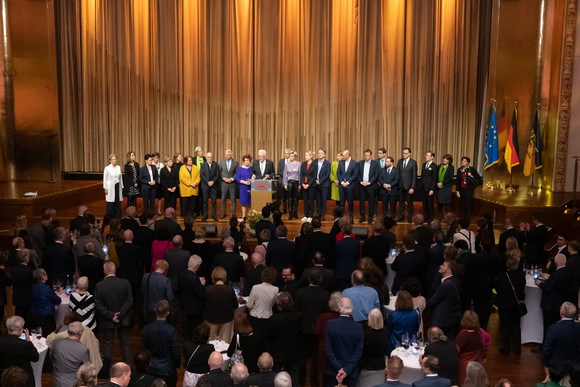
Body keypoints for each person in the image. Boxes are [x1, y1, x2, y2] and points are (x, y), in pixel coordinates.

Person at [94, 262, 133, 376]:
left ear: (105, 271)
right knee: (125, 342)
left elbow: (98, 304)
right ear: (114, 270)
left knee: (107, 343)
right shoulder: (125, 283)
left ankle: (106, 369)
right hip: (123, 317)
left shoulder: (99, 286)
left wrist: (111, 315)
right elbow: (130, 300)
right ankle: (129, 366)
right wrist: (120, 315)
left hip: (107, 319)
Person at [295, 271, 330, 385]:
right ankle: (314, 381)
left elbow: (297, 310)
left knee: (302, 355)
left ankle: (301, 380)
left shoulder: (300, 292)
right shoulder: (325, 294)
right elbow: (325, 313)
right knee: (315, 355)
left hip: (303, 328)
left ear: (309, 280)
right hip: (317, 328)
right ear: (320, 280)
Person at [324, 297, 364, 387]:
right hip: (351, 372)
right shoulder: (358, 327)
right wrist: (346, 370)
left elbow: (328, 349)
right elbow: (358, 352)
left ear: (339, 307)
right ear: (351, 309)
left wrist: (340, 368)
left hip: (333, 371)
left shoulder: (330, 324)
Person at [142, 300, 180, 387]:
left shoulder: (147, 328)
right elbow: (175, 351)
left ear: (155, 310)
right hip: (167, 370)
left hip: (151, 368)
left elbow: (144, 349)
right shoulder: (171, 330)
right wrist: (177, 364)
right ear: (168, 313)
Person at [268, 292, 303, 385]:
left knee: (277, 377)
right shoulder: (299, 316)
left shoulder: (273, 319)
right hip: (293, 351)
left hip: (278, 352)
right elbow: (300, 332)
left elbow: (269, 337)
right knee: (293, 376)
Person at [542, 302, 580, 381]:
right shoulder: (578, 328)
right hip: (573, 366)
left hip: (556, 367)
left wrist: (546, 364)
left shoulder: (554, 328)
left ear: (561, 312)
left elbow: (546, 349)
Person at [427, 258, 461, 339]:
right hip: (452, 318)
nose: (440, 266)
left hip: (443, 319)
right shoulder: (456, 281)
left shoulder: (445, 285)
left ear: (449, 271)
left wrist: (420, 303)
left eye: (443, 265)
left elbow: (432, 301)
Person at [0, 316, 39, 387]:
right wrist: (28, 341)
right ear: (19, 329)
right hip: (24, 380)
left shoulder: (1, 342)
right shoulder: (24, 344)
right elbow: (35, 357)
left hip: (5, 379)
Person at [247, 266, 279, 351]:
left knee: (254, 340)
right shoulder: (276, 289)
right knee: (265, 342)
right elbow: (272, 304)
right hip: (267, 317)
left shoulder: (255, 287)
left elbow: (249, 305)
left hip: (254, 317)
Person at [204, 266, 238, 342]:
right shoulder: (229, 290)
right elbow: (235, 305)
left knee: (211, 342)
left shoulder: (208, 289)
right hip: (226, 320)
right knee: (224, 343)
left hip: (211, 319)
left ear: (213, 276)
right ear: (224, 276)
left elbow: (203, 304)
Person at [50, 321, 90, 387]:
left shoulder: (55, 343)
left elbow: (51, 357)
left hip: (57, 380)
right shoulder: (83, 349)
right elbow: (86, 370)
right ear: (80, 333)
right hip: (74, 383)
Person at [455, 310, 490, 386]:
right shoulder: (480, 332)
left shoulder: (463, 336)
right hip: (477, 365)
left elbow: (455, 351)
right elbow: (486, 343)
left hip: (465, 368)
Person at [357, 309, 388, 387]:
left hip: (366, 366)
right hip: (380, 366)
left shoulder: (365, 335)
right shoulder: (386, 333)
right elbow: (386, 350)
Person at [179, 255, 205, 340]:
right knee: (195, 331)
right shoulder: (194, 279)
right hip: (195, 309)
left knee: (187, 329)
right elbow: (200, 294)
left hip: (184, 307)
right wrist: (202, 285)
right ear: (197, 266)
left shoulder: (181, 274)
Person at [29, 268, 61, 337]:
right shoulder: (46, 289)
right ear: (43, 276)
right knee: (48, 335)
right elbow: (57, 300)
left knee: (38, 335)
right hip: (46, 315)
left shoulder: (33, 287)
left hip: (34, 314)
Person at [10, 249, 35, 321]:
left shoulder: (13, 269)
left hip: (17, 298)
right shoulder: (30, 271)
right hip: (28, 300)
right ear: (27, 258)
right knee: (27, 321)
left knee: (18, 320)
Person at [334, 223, 360, 291]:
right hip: (353, 272)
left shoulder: (338, 244)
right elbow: (358, 257)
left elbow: (335, 257)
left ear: (343, 231)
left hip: (341, 273)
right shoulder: (357, 243)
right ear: (351, 231)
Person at [456, 157, 481, 221]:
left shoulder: (471, 169)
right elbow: (458, 181)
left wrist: (471, 176)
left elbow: (479, 178)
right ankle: (463, 217)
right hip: (462, 189)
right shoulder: (459, 170)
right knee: (462, 204)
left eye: (464, 161)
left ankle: (467, 218)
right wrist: (457, 190)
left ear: (468, 163)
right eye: (462, 161)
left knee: (468, 204)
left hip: (469, 189)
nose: (463, 162)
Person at [358, 149, 379, 224]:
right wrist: (361, 181)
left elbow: (376, 175)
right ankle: (362, 216)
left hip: (371, 186)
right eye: (365, 155)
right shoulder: (360, 163)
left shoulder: (375, 163)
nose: (366, 156)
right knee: (362, 202)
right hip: (362, 186)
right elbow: (358, 174)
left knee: (371, 202)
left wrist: (369, 182)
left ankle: (370, 217)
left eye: (368, 155)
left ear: (370, 155)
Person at [337, 150, 359, 224]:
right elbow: (338, 174)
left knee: (350, 203)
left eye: (343, 155)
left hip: (350, 186)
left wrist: (348, 182)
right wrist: (342, 182)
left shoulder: (354, 163)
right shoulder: (341, 162)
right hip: (341, 186)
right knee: (342, 203)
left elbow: (355, 174)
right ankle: (341, 218)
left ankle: (351, 217)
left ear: (347, 155)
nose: (342, 157)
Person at [396, 147, 417, 223]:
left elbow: (414, 176)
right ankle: (401, 216)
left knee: (409, 203)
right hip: (400, 185)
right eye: (403, 153)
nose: (404, 155)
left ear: (409, 154)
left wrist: (412, 187)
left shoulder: (413, 162)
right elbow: (397, 174)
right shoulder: (399, 161)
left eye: (405, 153)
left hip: (409, 186)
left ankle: (409, 217)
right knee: (401, 202)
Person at [200, 152, 219, 221]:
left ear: (212, 157)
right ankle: (205, 215)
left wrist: (212, 181)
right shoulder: (203, 165)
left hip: (213, 186)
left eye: (211, 157)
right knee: (205, 201)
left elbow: (217, 174)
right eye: (208, 157)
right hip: (205, 186)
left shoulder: (216, 164)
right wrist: (207, 182)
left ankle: (214, 215)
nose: (210, 158)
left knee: (213, 201)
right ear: (206, 158)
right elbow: (201, 175)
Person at [219, 149, 239, 218]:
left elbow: (237, 173)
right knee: (223, 199)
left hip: (232, 184)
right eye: (225, 155)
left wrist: (232, 179)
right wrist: (224, 178)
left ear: (231, 155)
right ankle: (223, 213)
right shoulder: (221, 162)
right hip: (224, 183)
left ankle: (233, 214)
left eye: (227, 155)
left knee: (233, 199)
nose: (226, 156)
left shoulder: (235, 163)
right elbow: (220, 172)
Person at [103, 153, 124, 218]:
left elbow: (120, 178)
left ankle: (117, 217)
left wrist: (122, 186)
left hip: (117, 186)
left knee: (117, 202)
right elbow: (105, 178)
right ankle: (109, 217)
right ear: (110, 161)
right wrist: (105, 188)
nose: (115, 160)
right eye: (113, 159)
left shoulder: (118, 167)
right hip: (110, 187)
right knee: (110, 202)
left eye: (115, 159)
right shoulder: (107, 168)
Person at [282, 151, 301, 220]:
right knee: (290, 198)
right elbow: (285, 175)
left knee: (296, 198)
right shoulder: (287, 164)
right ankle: (290, 213)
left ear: (295, 157)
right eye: (290, 156)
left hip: (296, 182)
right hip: (289, 182)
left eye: (292, 156)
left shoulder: (298, 164)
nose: (290, 157)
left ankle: (295, 212)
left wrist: (300, 184)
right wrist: (285, 184)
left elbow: (300, 174)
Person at [314, 148, 332, 220]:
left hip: (324, 184)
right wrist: (315, 180)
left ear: (324, 155)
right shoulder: (314, 162)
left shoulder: (327, 163)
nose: (319, 154)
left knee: (323, 200)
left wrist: (320, 181)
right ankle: (318, 212)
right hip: (316, 183)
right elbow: (312, 172)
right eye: (318, 153)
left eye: (321, 153)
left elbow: (327, 174)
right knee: (317, 200)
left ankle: (322, 214)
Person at [420, 151, 437, 223]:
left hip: (430, 188)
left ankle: (430, 218)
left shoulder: (434, 166)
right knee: (424, 204)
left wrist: (432, 189)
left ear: (432, 157)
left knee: (430, 204)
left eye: (428, 155)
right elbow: (422, 176)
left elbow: (434, 178)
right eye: (426, 155)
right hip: (423, 187)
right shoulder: (424, 165)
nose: (426, 157)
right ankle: (425, 217)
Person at [300, 150, 318, 221]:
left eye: (307, 155)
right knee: (305, 201)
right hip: (304, 185)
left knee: (311, 200)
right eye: (305, 155)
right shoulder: (303, 164)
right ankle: (305, 215)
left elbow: (314, 176)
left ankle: (310, 216)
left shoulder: (314, 164)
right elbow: (301, 175)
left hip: (311, 185)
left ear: (311, 156)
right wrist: (302, 184)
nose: (305, 157)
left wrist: (308, 184)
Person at [236, 154, 253, 218]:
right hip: (243, 187)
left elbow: (254, 176)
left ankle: (249, 216)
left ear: (250, 161)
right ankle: (243, 216)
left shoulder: (252, 168)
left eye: (248, 160)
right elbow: (237, 178)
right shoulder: (240, 168)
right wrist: (245, 182)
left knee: (249, 203)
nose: (247, 162)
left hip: (250, 187)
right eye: (245, 160)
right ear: (243, 161)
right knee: (243, 202)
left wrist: (251, 181)